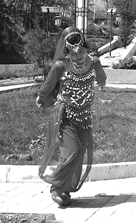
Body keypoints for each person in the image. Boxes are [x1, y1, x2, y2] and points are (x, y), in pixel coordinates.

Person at [35, 27, 107, 207]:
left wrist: (101, 82)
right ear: (67, 52)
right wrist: (41, 97)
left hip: (84, 116)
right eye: (73, 53)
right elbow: (48, 85)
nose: (78, 56)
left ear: (86, 49)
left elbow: (102, 77)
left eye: (81, 51)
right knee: (72, 151)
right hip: (65, 114)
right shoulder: (61, 66)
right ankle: (56, 186)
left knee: (78, 154)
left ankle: (64, 189)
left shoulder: (94, 63)